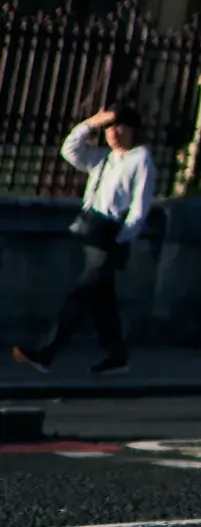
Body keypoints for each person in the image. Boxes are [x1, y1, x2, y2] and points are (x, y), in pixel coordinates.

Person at [15, 102, 155, 377]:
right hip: (92, 235)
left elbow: (140, 207)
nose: (113, 132)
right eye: (109, 128)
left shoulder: (141, 158)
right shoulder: (102, 157)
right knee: (102, 300)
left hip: (111, 239)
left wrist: (122, 238)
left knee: (79, 296)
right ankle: (117, 356)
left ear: (132, 129)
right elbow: (70, 150)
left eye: (118, 126)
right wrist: (92, 122)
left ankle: (47, 352)